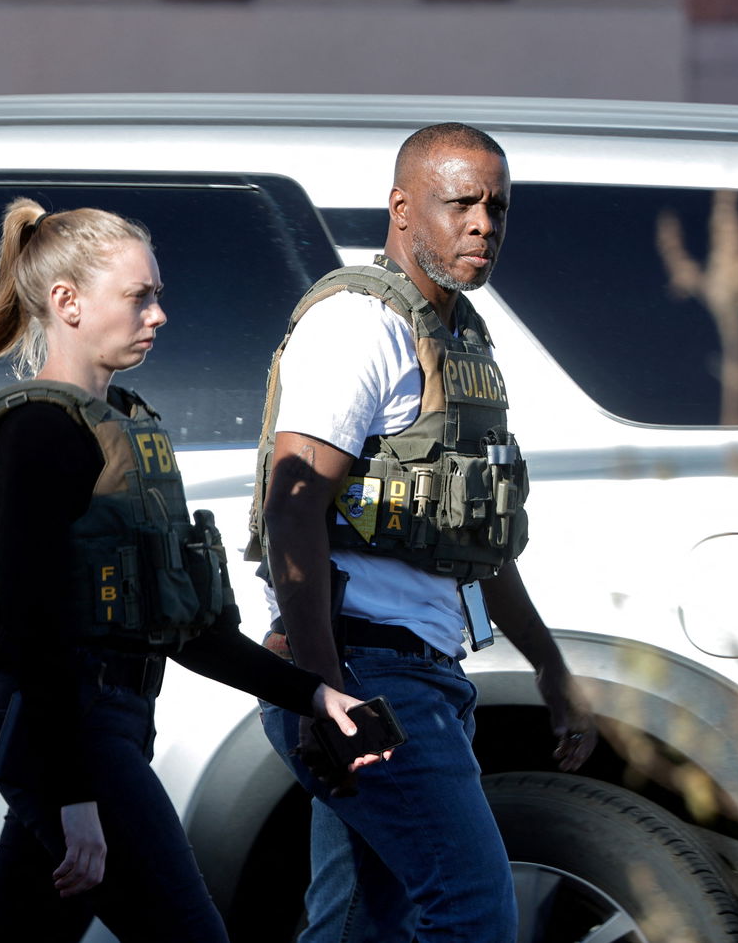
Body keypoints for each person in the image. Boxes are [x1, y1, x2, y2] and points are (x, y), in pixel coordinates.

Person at [0, 197, 384, 943]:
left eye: (157, 294)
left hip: (102, 727)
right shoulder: (39, 430)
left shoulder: (125, 428)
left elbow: (186, 630)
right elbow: (34, 631)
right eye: (138, 296)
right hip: (69, 735)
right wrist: (75, 797)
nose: (158, 314)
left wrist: (315, 696)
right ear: (68, 302)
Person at [250, 122, 599, 942]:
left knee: (360, 926)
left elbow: (472, 541)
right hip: (366, 673)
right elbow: (292, 506)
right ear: (402, 209)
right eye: (461, 203)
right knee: (473, 909)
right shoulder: (357, 325)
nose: (483, 224)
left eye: (497, 207)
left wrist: (549, 665)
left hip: (415, 674)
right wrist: (326, 693)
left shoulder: (456, 338)